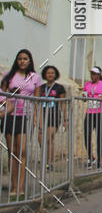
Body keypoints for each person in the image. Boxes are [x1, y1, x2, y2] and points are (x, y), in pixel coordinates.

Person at [0, 49, 42, 198]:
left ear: (30, 60)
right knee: (13, 152)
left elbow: (37, 99)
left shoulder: (35, 77)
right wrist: (7, 102)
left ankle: (21, 185)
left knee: (23, 151)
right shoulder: (9, 76)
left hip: (25, 116)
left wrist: (38, 118)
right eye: (19, 59)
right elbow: (1, 93)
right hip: (10, 116)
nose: (22, 61)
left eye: (25, 59)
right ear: (16, 61)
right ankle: (14, 185)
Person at [82, 66, 102, 168]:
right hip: (90, 113)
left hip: (101, 113)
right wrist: (84, 97)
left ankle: (99, 160)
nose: (92, 76)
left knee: (99, 136)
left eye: (94, 74)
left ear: (99, 75)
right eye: (91, 74)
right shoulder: (87, 85)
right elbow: (84, 99)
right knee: (87, 136)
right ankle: (90, 158)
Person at [38, 65, 66, 170]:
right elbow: (37, 103)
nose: (50, 75)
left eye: (52, 73)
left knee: (49, 139)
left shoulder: (59, 88)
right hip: (42, 116)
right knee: (41, 140)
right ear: (45, 74)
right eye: (48, 73)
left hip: (54, 117)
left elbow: (63, 104)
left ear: (55, 75)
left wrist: (65, 120)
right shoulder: (40, 87)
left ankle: (49, 163)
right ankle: (45, 160)